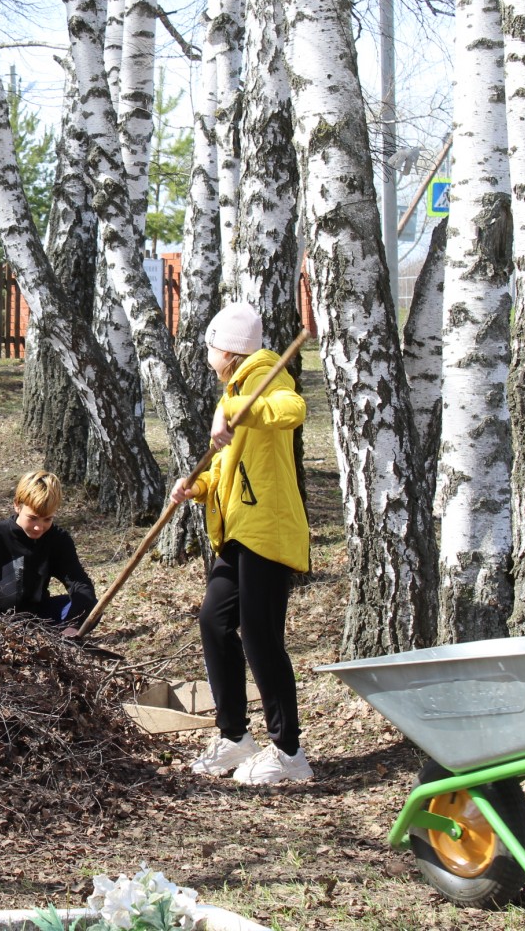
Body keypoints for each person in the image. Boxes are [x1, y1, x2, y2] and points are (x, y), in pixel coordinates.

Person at [171, 301, 313, 785]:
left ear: (226, 349)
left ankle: (289, 751)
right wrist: (201, 487)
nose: (207, 353)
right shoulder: (237, 386)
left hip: (267, 531)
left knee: (259, 635)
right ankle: (235, 737)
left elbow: (292, 410)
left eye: (210, 345)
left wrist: (234, 408)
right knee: (215, 621)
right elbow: (232, 466)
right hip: (237, 531)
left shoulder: (261, 374)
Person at [0, 470, 96, 636]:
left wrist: (73, 626)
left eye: (47, 519)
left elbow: (79, 584)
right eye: (33, 518)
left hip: (39, 619)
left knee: (89, 606)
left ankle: (55, 637)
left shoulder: (58, 539)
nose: (39, 527)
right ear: (17, 505)